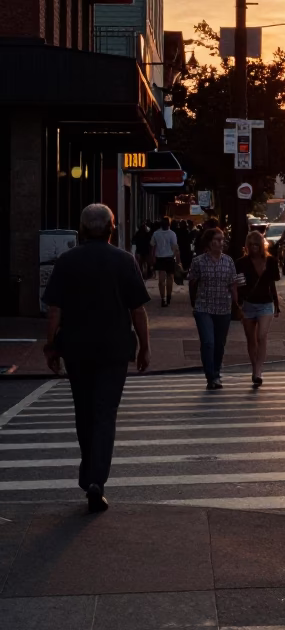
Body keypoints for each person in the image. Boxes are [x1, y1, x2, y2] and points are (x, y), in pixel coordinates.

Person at [43, 203, 150, 514]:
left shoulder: (66, 261)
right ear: (110, 228)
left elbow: (54, 310)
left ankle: (89, 471)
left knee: (84, 411)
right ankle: (96, 480)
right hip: (114, 348)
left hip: (76, 348)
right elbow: (138, 310)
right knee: (105, 414)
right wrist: (145, 346)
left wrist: (51, 347)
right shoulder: (124, 260)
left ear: (81, 228)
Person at [187, 226, 240, 390]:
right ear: (209, 243)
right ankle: (210, 376)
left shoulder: (228, 261)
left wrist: (237, 305)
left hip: (223, 308)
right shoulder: (199, 261)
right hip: (204, 307)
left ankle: (216, 372)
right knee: (208, 342)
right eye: (217, 240)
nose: (220, 243)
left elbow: (232, 285)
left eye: (222, 240)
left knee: (219, 343)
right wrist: (193, 302)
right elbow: (192, 282)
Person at [236, 230, 281, 387]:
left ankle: (258, 370)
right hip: (248, 304)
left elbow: (272, 283)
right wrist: (237, 304)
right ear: (247, 246)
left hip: (265, 304)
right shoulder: (241, 263)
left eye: (257, 244)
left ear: (262, 245)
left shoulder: (271, 261)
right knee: (251, 339)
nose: (254, 247)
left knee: (262, 336)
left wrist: (276, 304)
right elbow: (238, 285)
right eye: (251, 244)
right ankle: (254, 367)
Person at [150, 216, 180, 307]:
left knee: (161, 280)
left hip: (160, 258)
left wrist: (152, 258)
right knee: (170, 278)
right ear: (169, 224)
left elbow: (152, 246)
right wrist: (178, 259)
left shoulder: (156, 233)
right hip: (170, 258)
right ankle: (169, 296)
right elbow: (175, 247)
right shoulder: (172, 234)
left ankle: (163, 298)